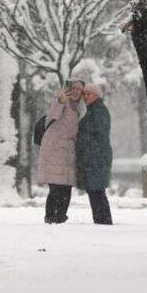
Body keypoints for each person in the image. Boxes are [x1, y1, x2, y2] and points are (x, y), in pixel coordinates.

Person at [37, 79, 85, 224]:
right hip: (54, 148)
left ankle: (60, 216)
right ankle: (51, 217)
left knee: (66, 187)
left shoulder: (80, 108)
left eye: (80, 89)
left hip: (68, 152)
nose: (77, 91)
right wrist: (59, 100)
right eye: (75, 88)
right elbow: (51, 116)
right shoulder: (62, 102)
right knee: (56, 186)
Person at [76, 84, 113, 225]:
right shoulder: (93, 111)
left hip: (97, 158)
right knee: (96, 193)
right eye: (84, 94)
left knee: (96, 192)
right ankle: (102, 222)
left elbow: (98, 134)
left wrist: (82, 141)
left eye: (89, 94)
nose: (86, 97)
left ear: (97, 96)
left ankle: (103, 223)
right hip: (94, 158)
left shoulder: (98, 111)